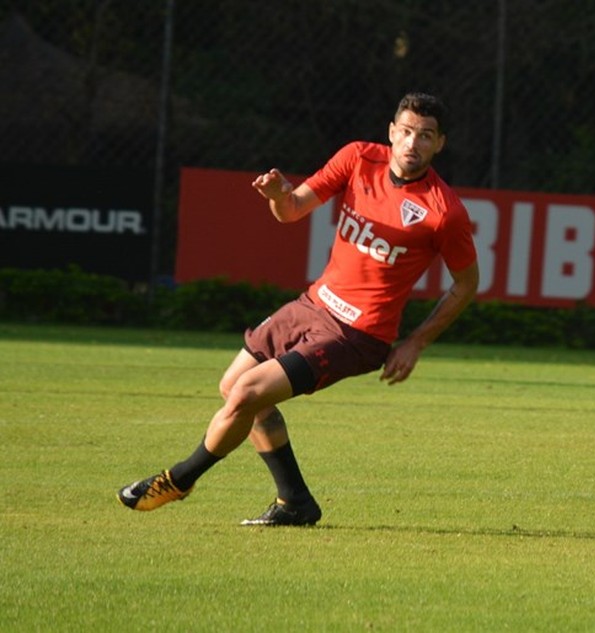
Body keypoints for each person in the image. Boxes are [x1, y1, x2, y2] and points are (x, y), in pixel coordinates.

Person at [117, 92, 479, 526]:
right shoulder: (358, 158)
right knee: (232, 385)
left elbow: (467, 283)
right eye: (405, 132)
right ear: (391, 131)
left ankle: (177, 480)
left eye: (425, 136)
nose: (412, 143)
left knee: (247, 393)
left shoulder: (444, 211)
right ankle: (296, 502)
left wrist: (416, 343)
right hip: (313, 305)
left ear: (440, 143)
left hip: (357, 335)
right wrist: (277, 194)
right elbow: (291, 210)